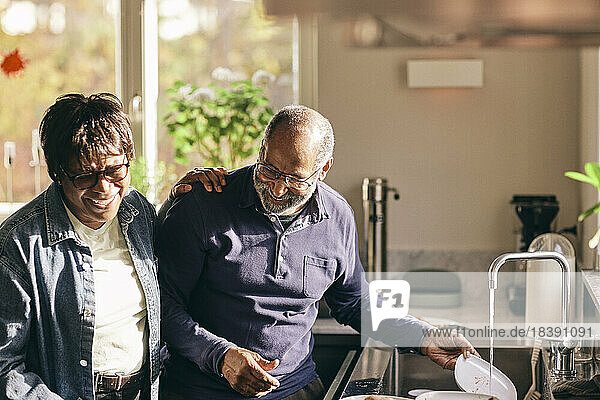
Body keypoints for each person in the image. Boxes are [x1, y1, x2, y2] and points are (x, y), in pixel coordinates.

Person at [158, 105, 478, 400]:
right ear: (261, 150)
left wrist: (424, 336)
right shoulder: (203, 205)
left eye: (295, 179)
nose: (277, 189)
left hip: (296, 389)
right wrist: (222, 356)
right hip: (202, 391)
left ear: (323, 169)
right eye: (269, 169)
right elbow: (164, 307)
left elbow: (354, 303)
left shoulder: (337, 216)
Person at [0, 93, 224, 400]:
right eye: (85, 176)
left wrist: (179, 199)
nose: (104, 188)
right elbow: (5, 366)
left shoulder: (137, 210)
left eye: (115, 171)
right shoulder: (20, 244)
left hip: (146, 389)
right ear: (57, 174)